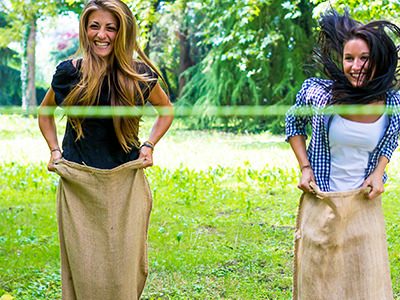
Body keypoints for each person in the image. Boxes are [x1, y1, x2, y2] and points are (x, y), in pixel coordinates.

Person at [38, 0, 173, 299]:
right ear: (85, 30)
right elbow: (44, 113)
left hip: (124, 181)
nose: (102, 34)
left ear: (122, 32)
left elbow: (166, 110)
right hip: (79, 181)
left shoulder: (139, 75)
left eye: (111, 28)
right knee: (83, 263)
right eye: (94, 26)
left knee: (125, 262)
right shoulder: (68, 73)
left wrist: (149, 145)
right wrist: (54, 151)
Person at [286, 9, 400, 300]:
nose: (356, 66)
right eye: (349, 58)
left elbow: (390, 139)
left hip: (363, 204)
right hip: (322, 201)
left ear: (378, 60)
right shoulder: (318, 93)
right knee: (319, 282)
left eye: (364, 58)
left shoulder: (392, 103)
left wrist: (378, 173)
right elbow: (293, 122)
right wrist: (304, 167)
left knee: (364, 281)